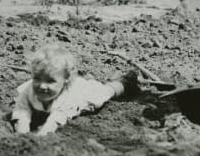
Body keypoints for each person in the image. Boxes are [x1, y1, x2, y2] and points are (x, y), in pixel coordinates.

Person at [9, 43, 140, 135]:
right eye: (37, 78)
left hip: (81, 94)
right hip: (52, 102)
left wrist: (38, 139)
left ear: (65, 79)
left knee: (103, 93)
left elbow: (54, 122)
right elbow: (21, 114)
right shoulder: (28, 91)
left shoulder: (68, 97)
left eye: (50, 81)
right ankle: (91, 79)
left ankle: (125, 83)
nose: (42, 86)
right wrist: (22, 135)